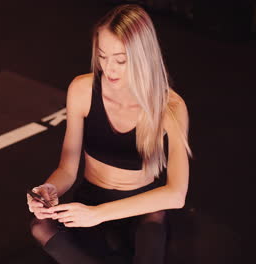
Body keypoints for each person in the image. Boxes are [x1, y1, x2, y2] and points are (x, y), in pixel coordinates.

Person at [26, 4, 192, 264]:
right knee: (40, 227)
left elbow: (176, 195)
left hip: (140, 205)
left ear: (142, 56)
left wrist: (99, 214)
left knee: (151, 236)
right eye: (102, 56)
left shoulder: (169, 106)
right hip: (91, 197)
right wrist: (49, 189)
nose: (109, 68)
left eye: (121, 60)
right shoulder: (82, 90)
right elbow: (67, 169)